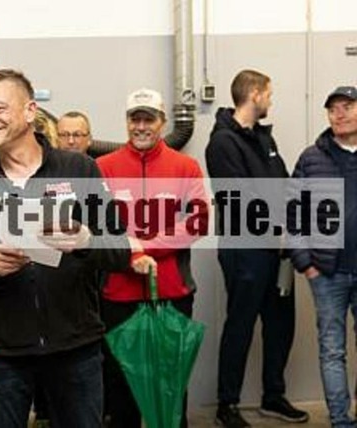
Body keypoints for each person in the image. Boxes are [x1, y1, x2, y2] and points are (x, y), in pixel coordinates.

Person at [0, 69, 140, 428]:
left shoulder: (79, 170)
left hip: (75, 351)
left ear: (30, 111)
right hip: (1, 358)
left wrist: (85, 241)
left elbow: (120, 250)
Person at [97, 87, 207, 428]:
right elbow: (97, 225)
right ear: (126, 122)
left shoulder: (186, 167)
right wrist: (130, 252)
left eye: (149, 119)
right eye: (135, 119)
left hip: (172, 293)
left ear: (162, 122)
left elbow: (199, 221)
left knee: (171, 387)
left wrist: (146, 246)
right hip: (118, 295)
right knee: (121, 390)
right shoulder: (103, 167)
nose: (141, 126)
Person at [205, 69, 309, 427]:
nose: (270, 101)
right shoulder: (222, 143)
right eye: (269, 94)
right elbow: (238, 199)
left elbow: (283, 186)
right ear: (254, 94)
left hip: (277, 251)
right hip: (245, 250)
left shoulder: (265, 139)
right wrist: (276, 228)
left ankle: (273, 396)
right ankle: (227, 405)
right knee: (241, 324)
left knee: (281, 325)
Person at [289, 85, 357, 427]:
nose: (339, 114)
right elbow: (292, 213)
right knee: (332, 350)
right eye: (333, 109)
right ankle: (341, 422)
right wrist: (305, 262)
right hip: (328, 273)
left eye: (347, 106)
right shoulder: (312, 158)